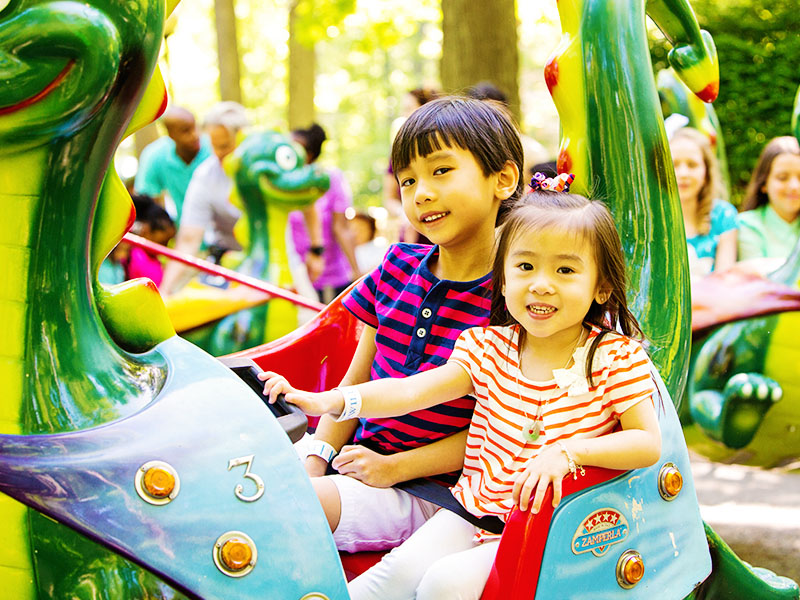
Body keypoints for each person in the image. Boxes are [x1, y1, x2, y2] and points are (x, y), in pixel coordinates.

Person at [261, 185, 662, 600]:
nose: (541, 285)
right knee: (388, 581)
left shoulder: (613, 357)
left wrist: (569, 452)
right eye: (525, 266)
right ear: (502, 281)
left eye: (565, 271)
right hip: (471, 513)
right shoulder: (487, 347)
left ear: (601, 287)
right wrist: (331, 401)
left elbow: (646, 442)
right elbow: (411, 391)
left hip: (548, 533)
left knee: (444, 585)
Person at [275, 97, 525, 556]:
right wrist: (315, 457)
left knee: (280, 508)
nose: (420, 193)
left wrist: (396, 469)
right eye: (407, 180)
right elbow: (354, 385)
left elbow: (502, 430)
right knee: (240, 482)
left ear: (503, 180)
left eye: (441, 171)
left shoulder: (516, 296)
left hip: (431, 490)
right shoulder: (397, 268)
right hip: (356, 462)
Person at [158, 102, 251, 294]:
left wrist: (315, 249)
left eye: (225, 146)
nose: (218, 154)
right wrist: (165, 291)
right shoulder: (206, 175)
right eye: (214, 146)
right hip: (227, 264)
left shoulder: (267, 166)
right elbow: (188, 240)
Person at [288, 124, 361, 303]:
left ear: (309, 154)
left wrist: (356, 272)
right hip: (297, 276)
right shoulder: (282, 184)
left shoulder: (329, 179)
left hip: (331, 277)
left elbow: (341, 228)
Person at [668, 127, 738, 276]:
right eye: (674, 165)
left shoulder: (723, 215)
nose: (683, 173)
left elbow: (724, 280)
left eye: (692, 165)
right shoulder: (647, 219)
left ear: (706, 172)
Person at [134, 106, 212, 224]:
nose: (195, 135)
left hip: (222, 232)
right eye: (186, 131)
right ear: (171, 135)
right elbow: (147, 200)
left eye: (195, 127)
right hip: (184, 229)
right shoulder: (155, 156)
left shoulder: (214, 148)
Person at [383, 87, 440, 244]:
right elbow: (389, 198)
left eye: (409, 108)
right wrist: (406, 215)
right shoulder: (398, 153)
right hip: (413, 239)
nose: (404, 115)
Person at [465, 81, 549, 179]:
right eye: (482, 116)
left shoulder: (531, 150)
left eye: (497, 111)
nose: (491, 121)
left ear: (507, 112)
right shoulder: (465, 149)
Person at [738, 136, 800, 263]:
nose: (794, 186)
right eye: (782, 178)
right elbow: (758, 279)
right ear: (764, 184)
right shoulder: (747, 225)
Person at [126, 195, 176, 287]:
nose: (164, 248)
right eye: (163, 242)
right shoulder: (135, 256)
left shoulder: (153, 259)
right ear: (146, 230)